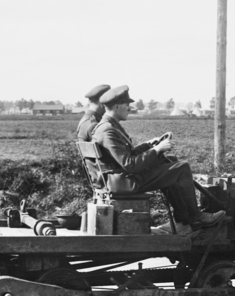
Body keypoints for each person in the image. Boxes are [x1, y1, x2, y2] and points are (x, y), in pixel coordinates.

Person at [91, 85, 225, 235]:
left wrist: (149, 144)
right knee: (182, 168)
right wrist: (157, 149)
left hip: (120, 179)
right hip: (125, 182)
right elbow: (130, 165)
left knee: (172, 161)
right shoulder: (108, 131)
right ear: (117, 106)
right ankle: (194, 217)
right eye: (127, 105)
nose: (129, 108)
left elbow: (127, 154)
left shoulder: (108, 126)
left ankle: (183, 219)